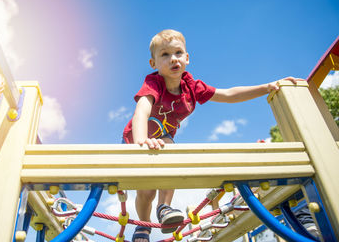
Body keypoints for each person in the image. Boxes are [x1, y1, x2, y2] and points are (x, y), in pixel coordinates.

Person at [122, 29, 300, 242]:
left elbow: (228, 95)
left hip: (163, 136)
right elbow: (142, 110)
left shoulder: (191, 86)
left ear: (187, 58)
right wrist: (141, 142)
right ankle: (143, 225)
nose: (173, 59)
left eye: (178, 52)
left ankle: (164, 207)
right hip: (138, 137)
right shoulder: (154, 83)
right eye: (165, 55)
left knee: (171, 153)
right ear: (154, 64)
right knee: (147, 191)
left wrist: (266, 87)